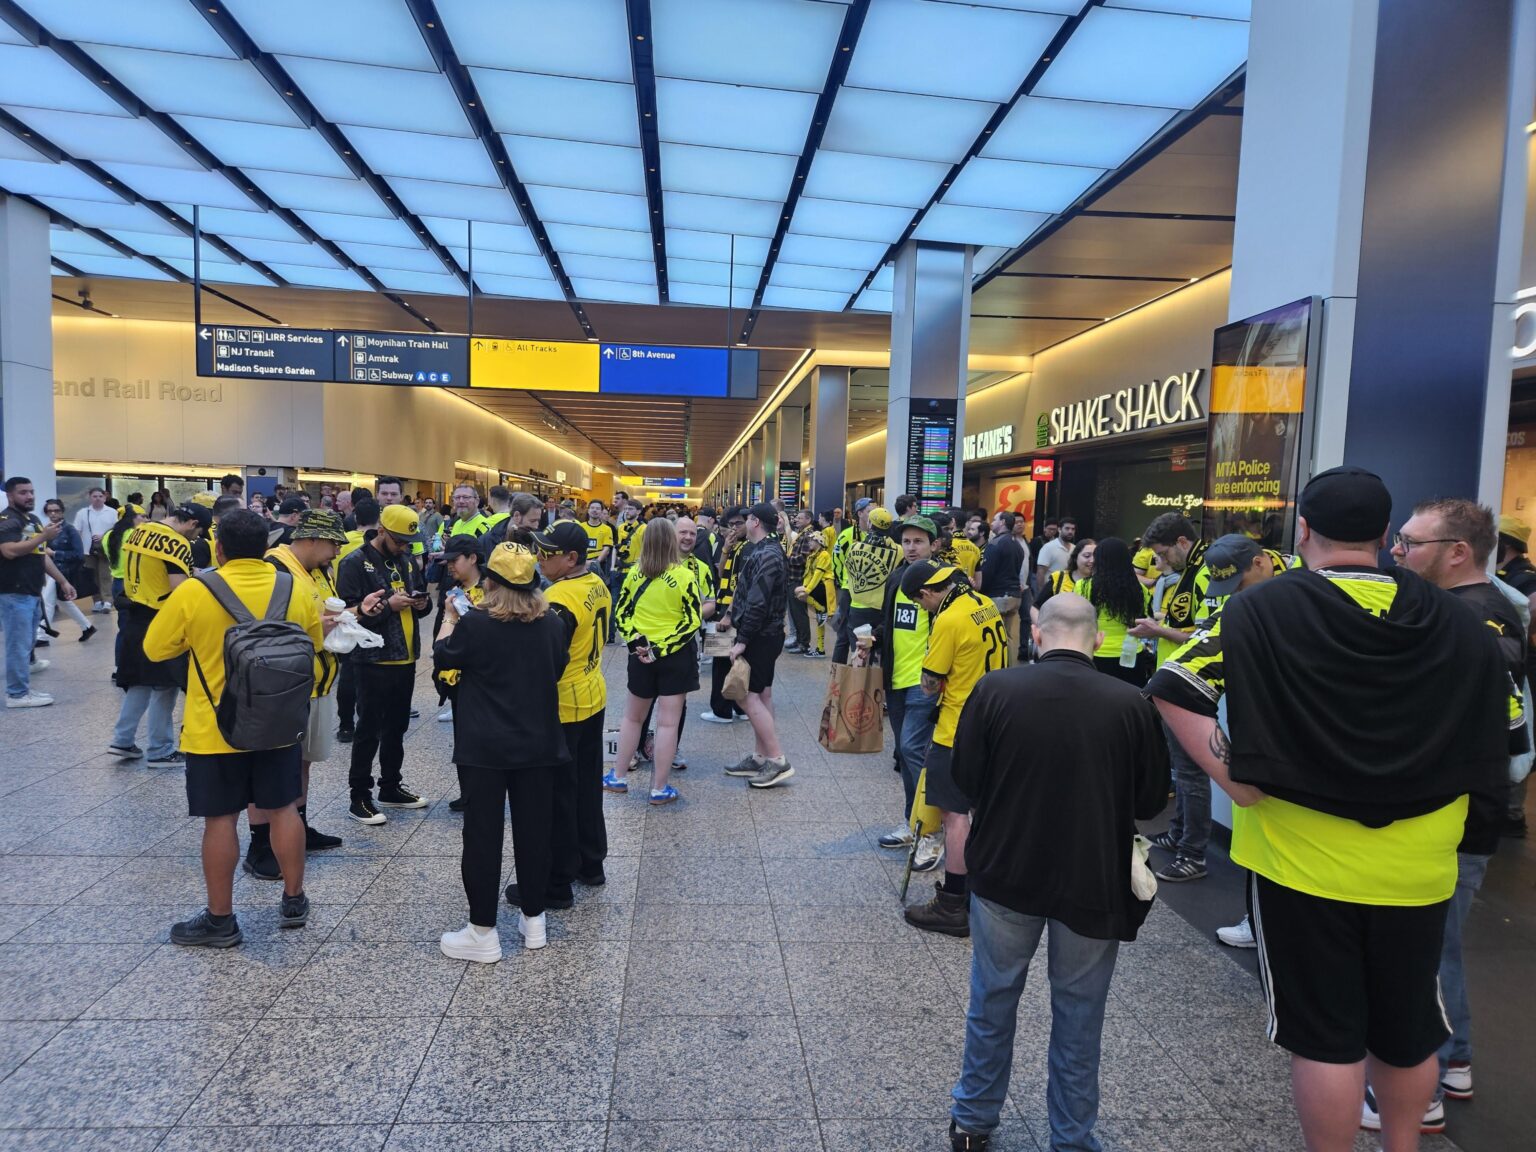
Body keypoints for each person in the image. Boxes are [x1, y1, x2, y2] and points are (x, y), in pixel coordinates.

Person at [1145, 468, 1522, 1152]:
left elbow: (1173, 684)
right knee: (1407, 1031)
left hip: (1299, 858)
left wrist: (1237, 780)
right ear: (1384, 537)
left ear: (1304, 532)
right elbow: (1505, 735)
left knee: (1325, 1038)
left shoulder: (1260, 609)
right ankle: (1404, 1144)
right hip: (1421, 860)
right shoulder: (1459, 618)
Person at [948, 594, 1171, 1152]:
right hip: (1092, 877)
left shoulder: (996, 690)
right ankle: (1071, 1138)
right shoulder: (1130, 703)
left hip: (1004, 869)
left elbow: (966, 777)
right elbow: (1149, 801)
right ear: (1097, 640)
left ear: (1038, 637)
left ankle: (973, 1122)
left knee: (992, 998)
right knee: (1079, 1013)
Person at [1381, 498, 1524, 1127]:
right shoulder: (1475, 613)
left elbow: (1485, 734)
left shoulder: (1472, 623)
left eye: (1411, 542)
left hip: (1456, 817)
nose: (1397, 552)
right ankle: (1455, 1058)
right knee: (1440, 948)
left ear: (1458, 552)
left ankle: (1427, 1084)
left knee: (1425, 953)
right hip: (1462, 811)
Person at [144, 508, 321, 947]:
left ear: (218, 548)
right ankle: (294, 899)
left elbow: (154, 648)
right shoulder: (293, 586)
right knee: (283, 809)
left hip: (214, 729)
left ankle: (221, 920)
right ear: (266, 547)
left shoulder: (194, 591)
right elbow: (314, 641)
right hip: (278, 722)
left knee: (220, 819)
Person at [434, 543, 569, 961]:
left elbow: (442, 657)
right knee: (534, 833)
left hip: (485, 747)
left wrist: (449, 619)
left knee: (482, 836)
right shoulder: (552, 625)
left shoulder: (475, 624)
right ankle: (534, 922)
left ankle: (482, 932)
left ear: (490, 581)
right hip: (540, 745)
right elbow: (558, 668)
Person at [503, 520, 611, 909]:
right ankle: (591, 863)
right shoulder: (596, 584)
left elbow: (548, 658)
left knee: (558, 797)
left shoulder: (559, 599)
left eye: (548, 553)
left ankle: (556, 883)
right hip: (593, 694)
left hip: (564, 705)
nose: (539, 559)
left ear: (571, 558)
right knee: (585, 787)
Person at [900, 561, 1007, 937]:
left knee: (954, 815)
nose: (922, 609)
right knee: (978, 810)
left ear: (928, 593)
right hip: (993, 721)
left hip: (956, 729)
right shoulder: (982, 602)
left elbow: (930, 684)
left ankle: (952, 903)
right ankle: (979, 891)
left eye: (919, 602)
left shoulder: (948, 620)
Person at [247, 508, 353, 875]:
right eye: (333, 544)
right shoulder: (275, 570)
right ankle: (260, 845)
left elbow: (316, 616)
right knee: (272, 767)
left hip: (317, 682)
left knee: (301, 763)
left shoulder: (319, 570)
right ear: (310, 539)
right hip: (284, 687)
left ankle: (298, 829)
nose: (337, 552)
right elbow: (267, 627)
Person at [1129, 513, 1216, 881]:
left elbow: (1208, 635)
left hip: (1192, 684)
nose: (1161, 563)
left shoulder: (1206, 573)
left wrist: (1158, 629)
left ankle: (1193, 853)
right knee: (1181, 769)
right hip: (1175, 679)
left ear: (1182, 543)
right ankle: (1181, 832)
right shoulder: (1189, 572)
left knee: (1192, 772)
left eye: (1164, 554)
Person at [337, 502, 432, 824]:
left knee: (397, 727)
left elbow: (421, 605)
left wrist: (422, 602)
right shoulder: (354, 563)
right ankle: (359, 796)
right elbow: (349, 616)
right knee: (369, 729)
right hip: (372, 659)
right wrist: (389, 606)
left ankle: (390, 786)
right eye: (399, 541)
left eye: (409, 542)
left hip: (405, 657)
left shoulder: (405, 560)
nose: (405, 547)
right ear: (381, 531)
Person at [603, 518, 700, 805]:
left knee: (633, 718)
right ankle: (660, 788)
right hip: (676, 656)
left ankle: (617, 777)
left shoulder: (635, 573)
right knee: (668, 724)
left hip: (640, 656)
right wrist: (661, 648)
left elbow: (621, 613)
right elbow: (693, 619)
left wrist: (637, 644)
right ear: (672, 541)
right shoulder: (684, 576)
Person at [111, 504, 211, 765]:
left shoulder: (140, 531)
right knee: (165, 684)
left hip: (134, 614)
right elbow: (180, 590)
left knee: (139, 682)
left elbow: (152, 571)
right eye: (198, 531)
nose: (196, 537)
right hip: (160, 617)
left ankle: (122, 740)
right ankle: (160, 749)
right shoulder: (176, 542)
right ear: (192, 523)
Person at [877, 516, 943, 870]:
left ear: (934, 544)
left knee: (913, 749)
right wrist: (873, 635)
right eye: (907, 542)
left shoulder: (946, 583)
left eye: (919, 541)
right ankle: (913, 820)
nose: (912, 547)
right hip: (897, 680)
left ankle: (929, 831)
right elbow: (893, 622)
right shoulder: (897, 577)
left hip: (926, 682)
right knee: (905, 754)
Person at [717, 504, 792, 789]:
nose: (740, 526)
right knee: (761, 695)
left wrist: (742, 640)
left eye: (745, 520)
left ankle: (776, 759)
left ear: (755, 521)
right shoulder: (763, 551)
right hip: (764, 634)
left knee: (746, 696)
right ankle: (761, 757)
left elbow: (758, 603)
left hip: (761, 636)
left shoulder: (767, 555)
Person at [0, 478, 73, 709]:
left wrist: (62, 581)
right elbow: (8, 551)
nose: (29, 496)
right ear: (10, 496)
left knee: (27, 643)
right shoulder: (7, 521)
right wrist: (42, 537)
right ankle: (17, 694)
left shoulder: (31, 519)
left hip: (32, 591)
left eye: (31, 492)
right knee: (18, 644)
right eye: (23, 493)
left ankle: (22, 687)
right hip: (14, 592)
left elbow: (39, 555)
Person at [1495, 514, 1536, 839]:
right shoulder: (1509, 576)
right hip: (1521, 661)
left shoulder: (1526, 579)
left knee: (1520, 726)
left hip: (1524, 664)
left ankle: (1512, 813)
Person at [1070, 537, 1153, 686]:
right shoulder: (1141, 590)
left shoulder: (1082, 586)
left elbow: (1076, 619)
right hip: (1131, 656)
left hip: (1094, 654)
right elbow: (1145, 619)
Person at [702, 507, 750, 723]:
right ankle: (738, 707)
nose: (734, 528)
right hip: (726, 606)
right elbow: (720, 574)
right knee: (728, 659)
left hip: (732, 611)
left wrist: (729, 614)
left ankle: (722, 710)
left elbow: (742, 585)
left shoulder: (749, 548)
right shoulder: (733, 546)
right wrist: (725, 550)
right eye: (731, 525)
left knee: (724, 661)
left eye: (739, 524)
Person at [834, 505, 900, 664]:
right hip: (883, 610)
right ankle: (878, 687)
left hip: (857, 609)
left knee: (859, 653)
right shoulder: (899, 550)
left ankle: (856, 686)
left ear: (870, 524)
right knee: (883, 655)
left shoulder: (854, 546)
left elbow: (843, 568)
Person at [39, 499, 95, 643]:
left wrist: (55, 553)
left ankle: (42, 636)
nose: (53, 514)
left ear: (62, 512)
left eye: (56, 510)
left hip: (64, 571)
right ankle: (87, 626)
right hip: (51, 571)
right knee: (62, 601)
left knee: (47, 601)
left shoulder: (70, 530)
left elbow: (78, 555)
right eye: (50, 511)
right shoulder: (47, 529)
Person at [978, 511, 1025, 660]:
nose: (991, 523)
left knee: (993, 638)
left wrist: (979, 593)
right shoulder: (1018, 545)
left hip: (997, 597)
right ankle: (1010, 670)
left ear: (1003, 522)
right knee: (1009, 637)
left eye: (995, 520)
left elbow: (987, 574)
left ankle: (997, 670)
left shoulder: (995, 544)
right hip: (1014, 596)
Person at [74, 486, 117, 613]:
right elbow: (77, 530)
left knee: (105, 575)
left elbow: (116, 530)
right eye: (94, 496)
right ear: (90, 498)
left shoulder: (112, 512)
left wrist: (104, 536)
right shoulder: (82, 513)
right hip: (88, 550)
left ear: (104, 497)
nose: (97, 499)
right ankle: (97, 601)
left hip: (105, 550)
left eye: (100, 496)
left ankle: (108, 601)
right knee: (92, 576)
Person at [795, 530, 835, 659]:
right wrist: (805, 587)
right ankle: (820, 649)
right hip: (817, 586)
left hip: (823, 586)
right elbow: (808, 574)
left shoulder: (824, 555)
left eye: (812, 540)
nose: (809, 542)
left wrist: (807, 590)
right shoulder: (812, 555)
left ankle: (821, 609)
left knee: (800, 594)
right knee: (819, 623)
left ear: (819, 541)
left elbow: (818, 574)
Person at [785, 512, 819, 655]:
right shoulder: (801, 534)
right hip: (793, 577)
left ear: (808, 519)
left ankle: (804, 643)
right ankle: (799, 640)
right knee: (795, 612)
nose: (796, 520)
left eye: (799, 518)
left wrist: (786, 559)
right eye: (796, 517)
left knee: (800, 613)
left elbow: (804, 559)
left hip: (799, 579)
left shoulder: (808, 535)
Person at [1033, 538, 1094, 612]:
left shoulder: (1099, 582)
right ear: (1075, 557)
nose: (1092, 560)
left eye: (1096, 556)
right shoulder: (1059, 578)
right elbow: (1036, 607)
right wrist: (1042, 623)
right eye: (1087, 556)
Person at [1034, 517, 1076, 588]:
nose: (1070, 531)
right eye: (1067, 528)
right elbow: (1040, 572)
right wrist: (1041, 595)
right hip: (1051, 590)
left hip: (1068, 590)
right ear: (1059, 529)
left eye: (1073, 529)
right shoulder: (1048, 547)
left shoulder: (1075, 548)